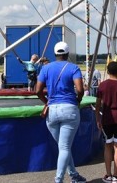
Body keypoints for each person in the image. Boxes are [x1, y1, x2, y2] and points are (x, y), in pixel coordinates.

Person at [36, 42, 87, 183]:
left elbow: (38, 90)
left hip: (52, 110)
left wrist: (46, 102)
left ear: (55, 53)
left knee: (63, 147)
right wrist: (78, 99)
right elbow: (80, 89)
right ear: (67, 53)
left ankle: (74, 175)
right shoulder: (73, 68)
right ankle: (58, 180)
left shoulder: (46, 68)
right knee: (64, 147)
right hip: (69, 109)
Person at [95, 61, 117, 183]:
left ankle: (108, 174)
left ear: (108, 71)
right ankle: (116, 175)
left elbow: (98, 104)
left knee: (108, 146)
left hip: (106, 119)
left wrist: (97, 119)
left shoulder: (102, 86)